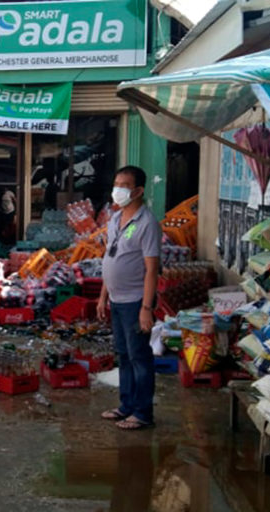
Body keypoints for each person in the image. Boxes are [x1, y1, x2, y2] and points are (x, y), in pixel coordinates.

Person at [97, 166, 161, 431]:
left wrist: (146, 307)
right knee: (123, 355)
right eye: (116, 183)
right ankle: (126, 405)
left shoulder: (147, 223)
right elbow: (109, 259)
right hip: (116, 299)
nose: (118, 189)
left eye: (124, 184)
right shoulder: (115, 219)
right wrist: (103, 297)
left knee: (139, 356)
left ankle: (142, 412)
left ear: (138, 191)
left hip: (136, 300)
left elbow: (152, 269)